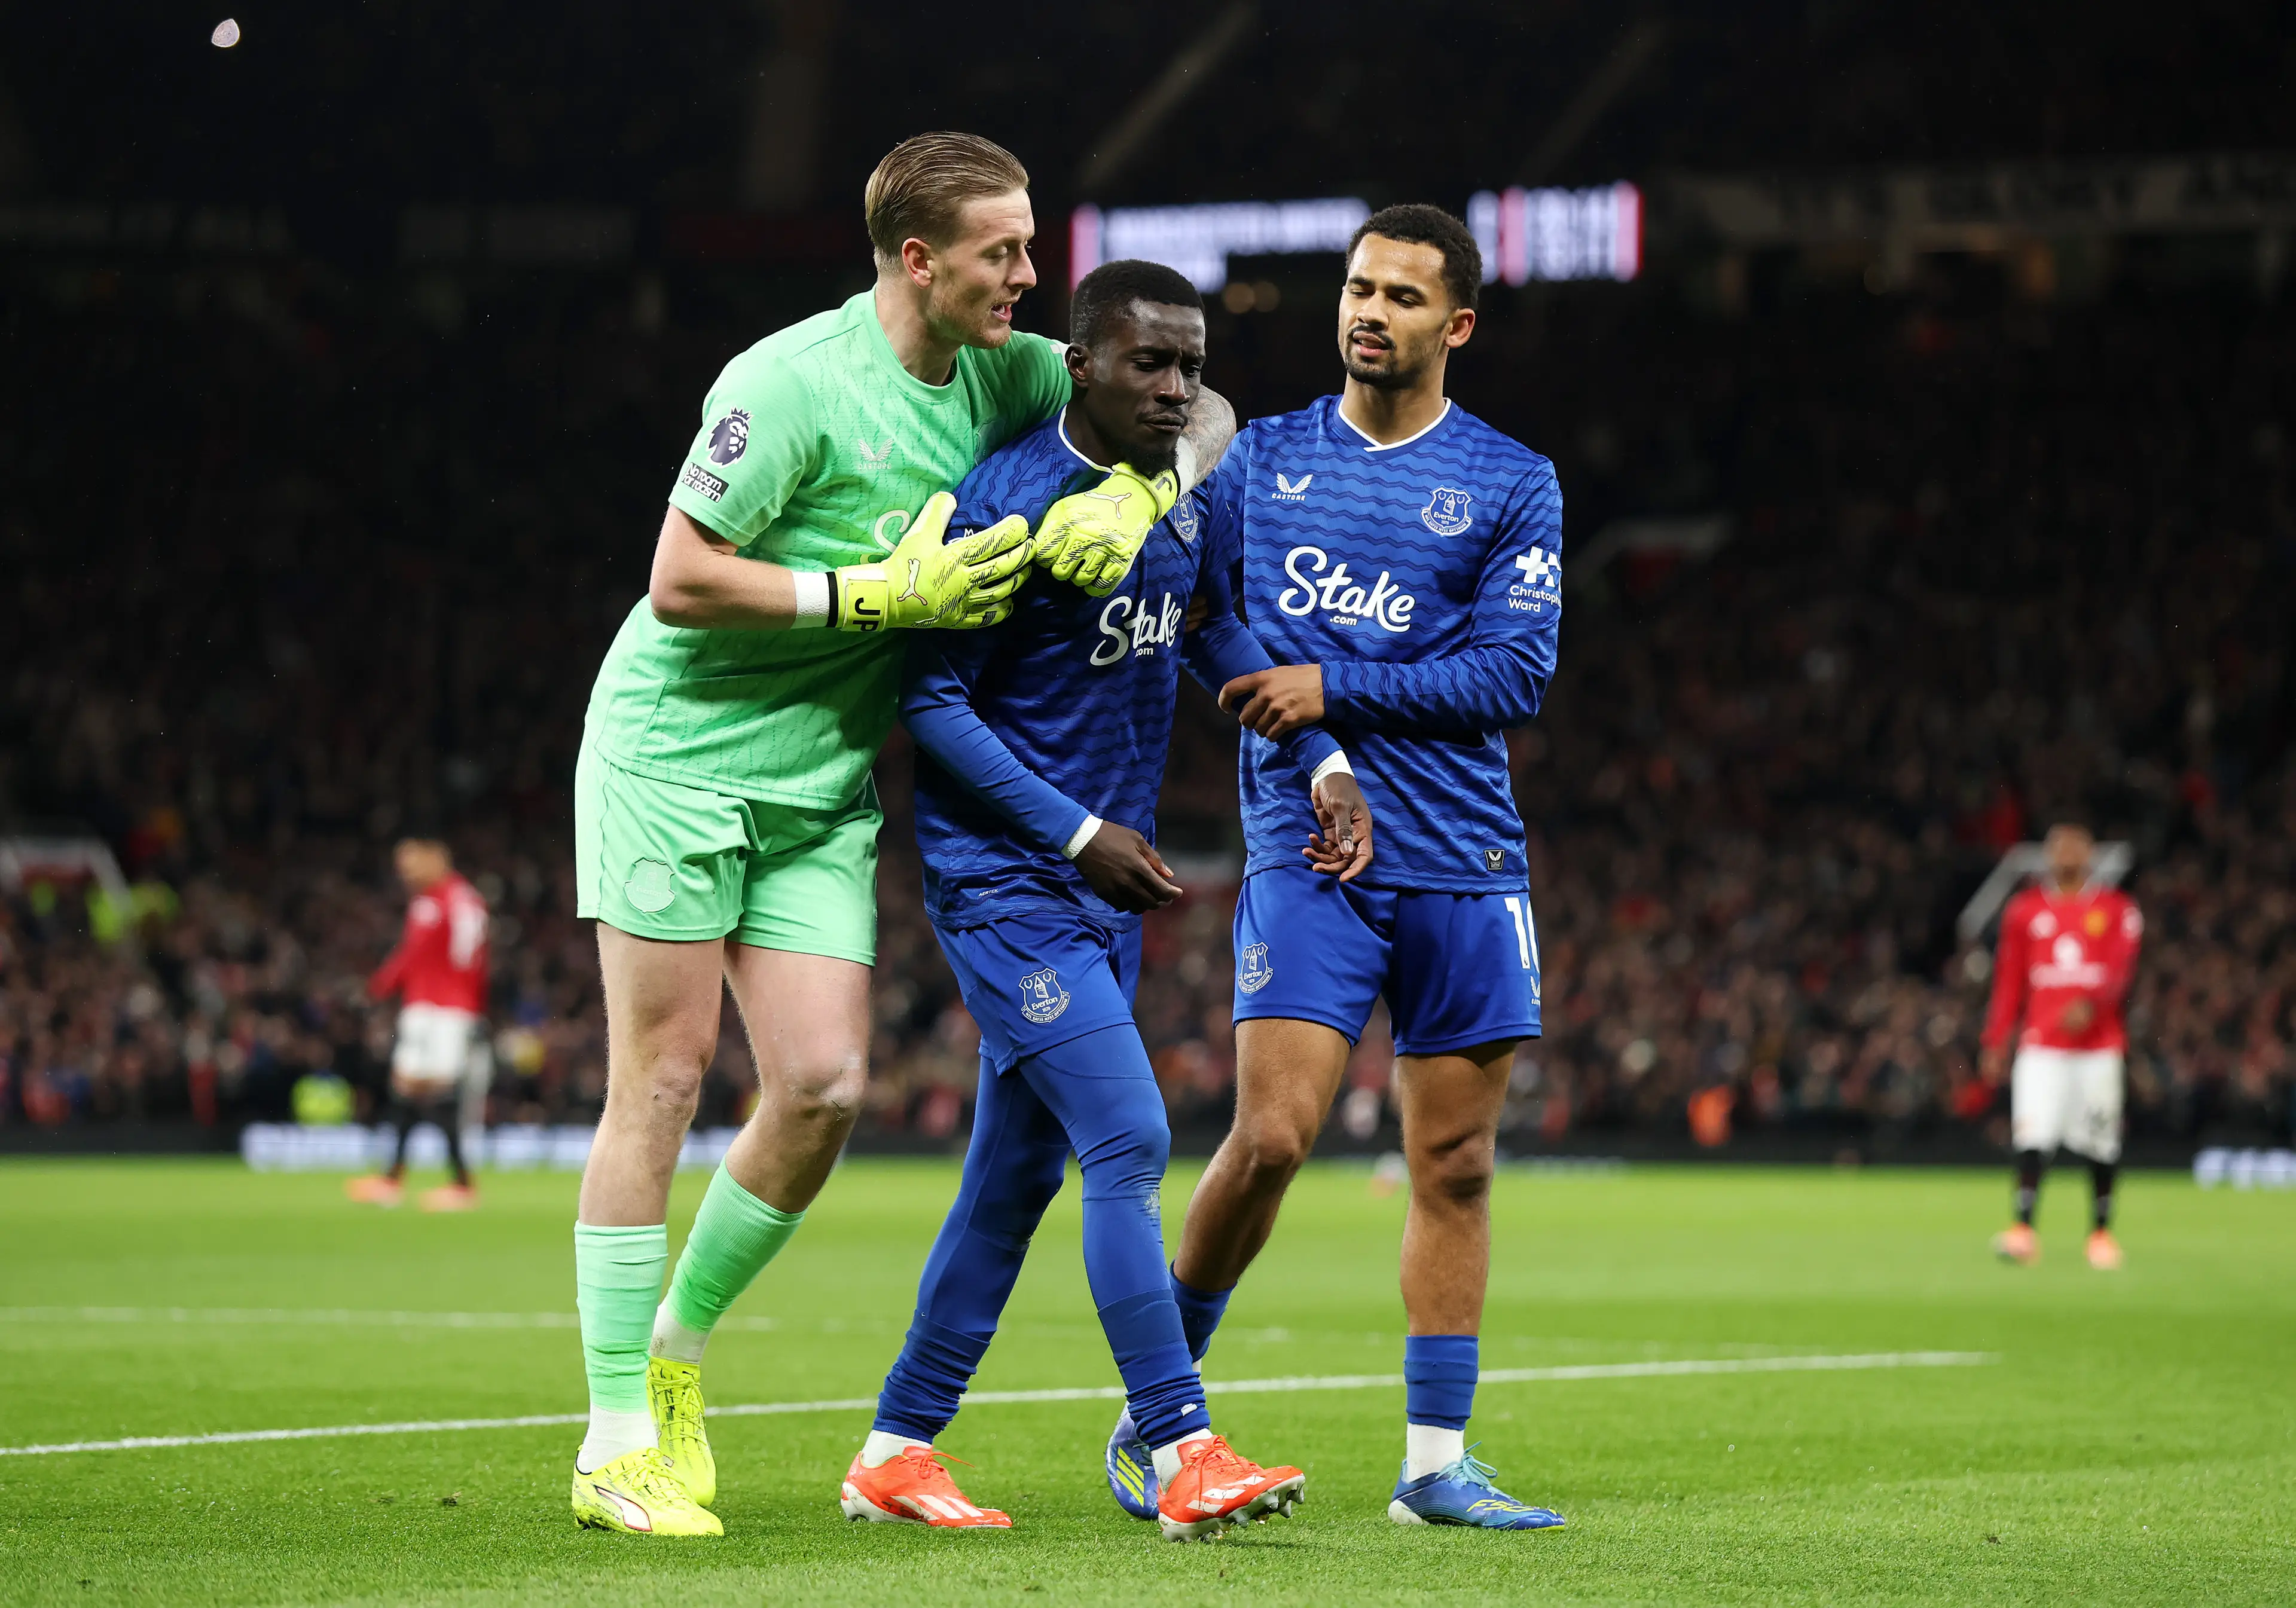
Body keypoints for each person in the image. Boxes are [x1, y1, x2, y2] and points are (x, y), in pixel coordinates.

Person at [566, 133, 1237, 1538]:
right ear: (918, 260)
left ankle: (675, 1350)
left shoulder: (1009, 365)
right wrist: (869, 597)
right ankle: (617, 1431)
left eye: (1029, 244)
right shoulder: (788, 382)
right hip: (679, 758)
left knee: (817, 1086)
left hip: (820, 772)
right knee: (666, 1079)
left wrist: (1141, 491)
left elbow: (1194, 403)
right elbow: (678, 577)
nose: (1027, 274)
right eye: (1001, 251)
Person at [838, 259, 1371, 1542]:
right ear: (1079, 362)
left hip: (1097, 888)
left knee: (1011, 1179)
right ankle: (1179, 1442)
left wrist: (1324, 756)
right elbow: (929, 701)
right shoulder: (1004, 500)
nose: (1175, 386)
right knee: (1128, 1136)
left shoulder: (1182, 489)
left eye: (1188, 363)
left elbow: (1214, 628)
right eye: (1147, 362)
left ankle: (896, 1449)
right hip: (1003, 880)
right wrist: (1076, 831)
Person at [1110, 204, 1567, 1531]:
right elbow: (1203, 615)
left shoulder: (1511, 478)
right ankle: (1163, 1422)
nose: (1371, 312)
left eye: (1404, 297)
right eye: (1359, 289)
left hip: (1465, 857)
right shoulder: (1261, 460)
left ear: (1456, 325)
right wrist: (1294, 716)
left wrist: (1331, 686)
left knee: (1459, 1164)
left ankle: (1433, 1466)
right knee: (1270, 1136)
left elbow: (1513, 671)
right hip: (1310, 854)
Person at [1982, 822, 2142, 1270]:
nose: (2067, 854)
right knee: (2033, 1136)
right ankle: (2024, 1230)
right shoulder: (2025, 911)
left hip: (2098, 1047)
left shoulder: (2116, 908)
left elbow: (2121, 970)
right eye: (2059, 847)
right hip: (2042, 1044)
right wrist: (1996, 1040)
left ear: (2090, 854)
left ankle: (2101, 1234)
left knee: (2101, 1142)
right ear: (2048, 855)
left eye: (2076, 846)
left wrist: (2093, 1003)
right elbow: (2009, 981)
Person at [347, 837, 489, 1212]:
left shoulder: (458, 900)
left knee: (438, 1089)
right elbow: (413, 956)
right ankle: (392, 1179)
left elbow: (465, 958)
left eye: (410, 865)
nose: (404, 874)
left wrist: (382, 986)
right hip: (422, 1007)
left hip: (447, 1010)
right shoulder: (431, 902)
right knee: (407, 1086)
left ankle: (461, 1184)